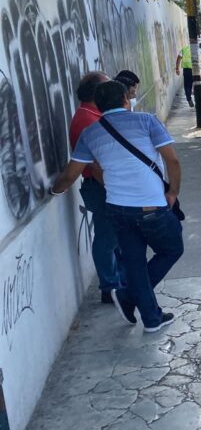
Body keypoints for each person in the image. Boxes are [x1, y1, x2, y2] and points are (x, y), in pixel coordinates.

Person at [51, 80, 182, 333]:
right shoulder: (147, 121)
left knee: (133, 262)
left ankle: (152, 318)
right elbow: (172, 160)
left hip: (117, 210)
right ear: (125, 99)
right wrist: (173, 191)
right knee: (172, 249)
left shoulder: (91, 133)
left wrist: (54, 191)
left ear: (98, 106)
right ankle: (129, 297)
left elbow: (71, 174)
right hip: (151, 207)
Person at [67, 71, 123, 304]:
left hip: (104, 184)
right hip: (101, 187)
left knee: (113, 237)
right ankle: (110, 287)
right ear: (97, 92)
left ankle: (116, 281)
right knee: (106, 237)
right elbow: (96, 166)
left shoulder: (92, 114)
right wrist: (115, 190)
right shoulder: (88, 120)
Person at [175, 44, 201, 108]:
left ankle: (189, 99)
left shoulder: (185, 49)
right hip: (197, 71)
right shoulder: (200, 51)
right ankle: (197, 102)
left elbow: (178, 58)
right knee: (197, 86)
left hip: (187, 70)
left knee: (187, 85)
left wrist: (177, 69)